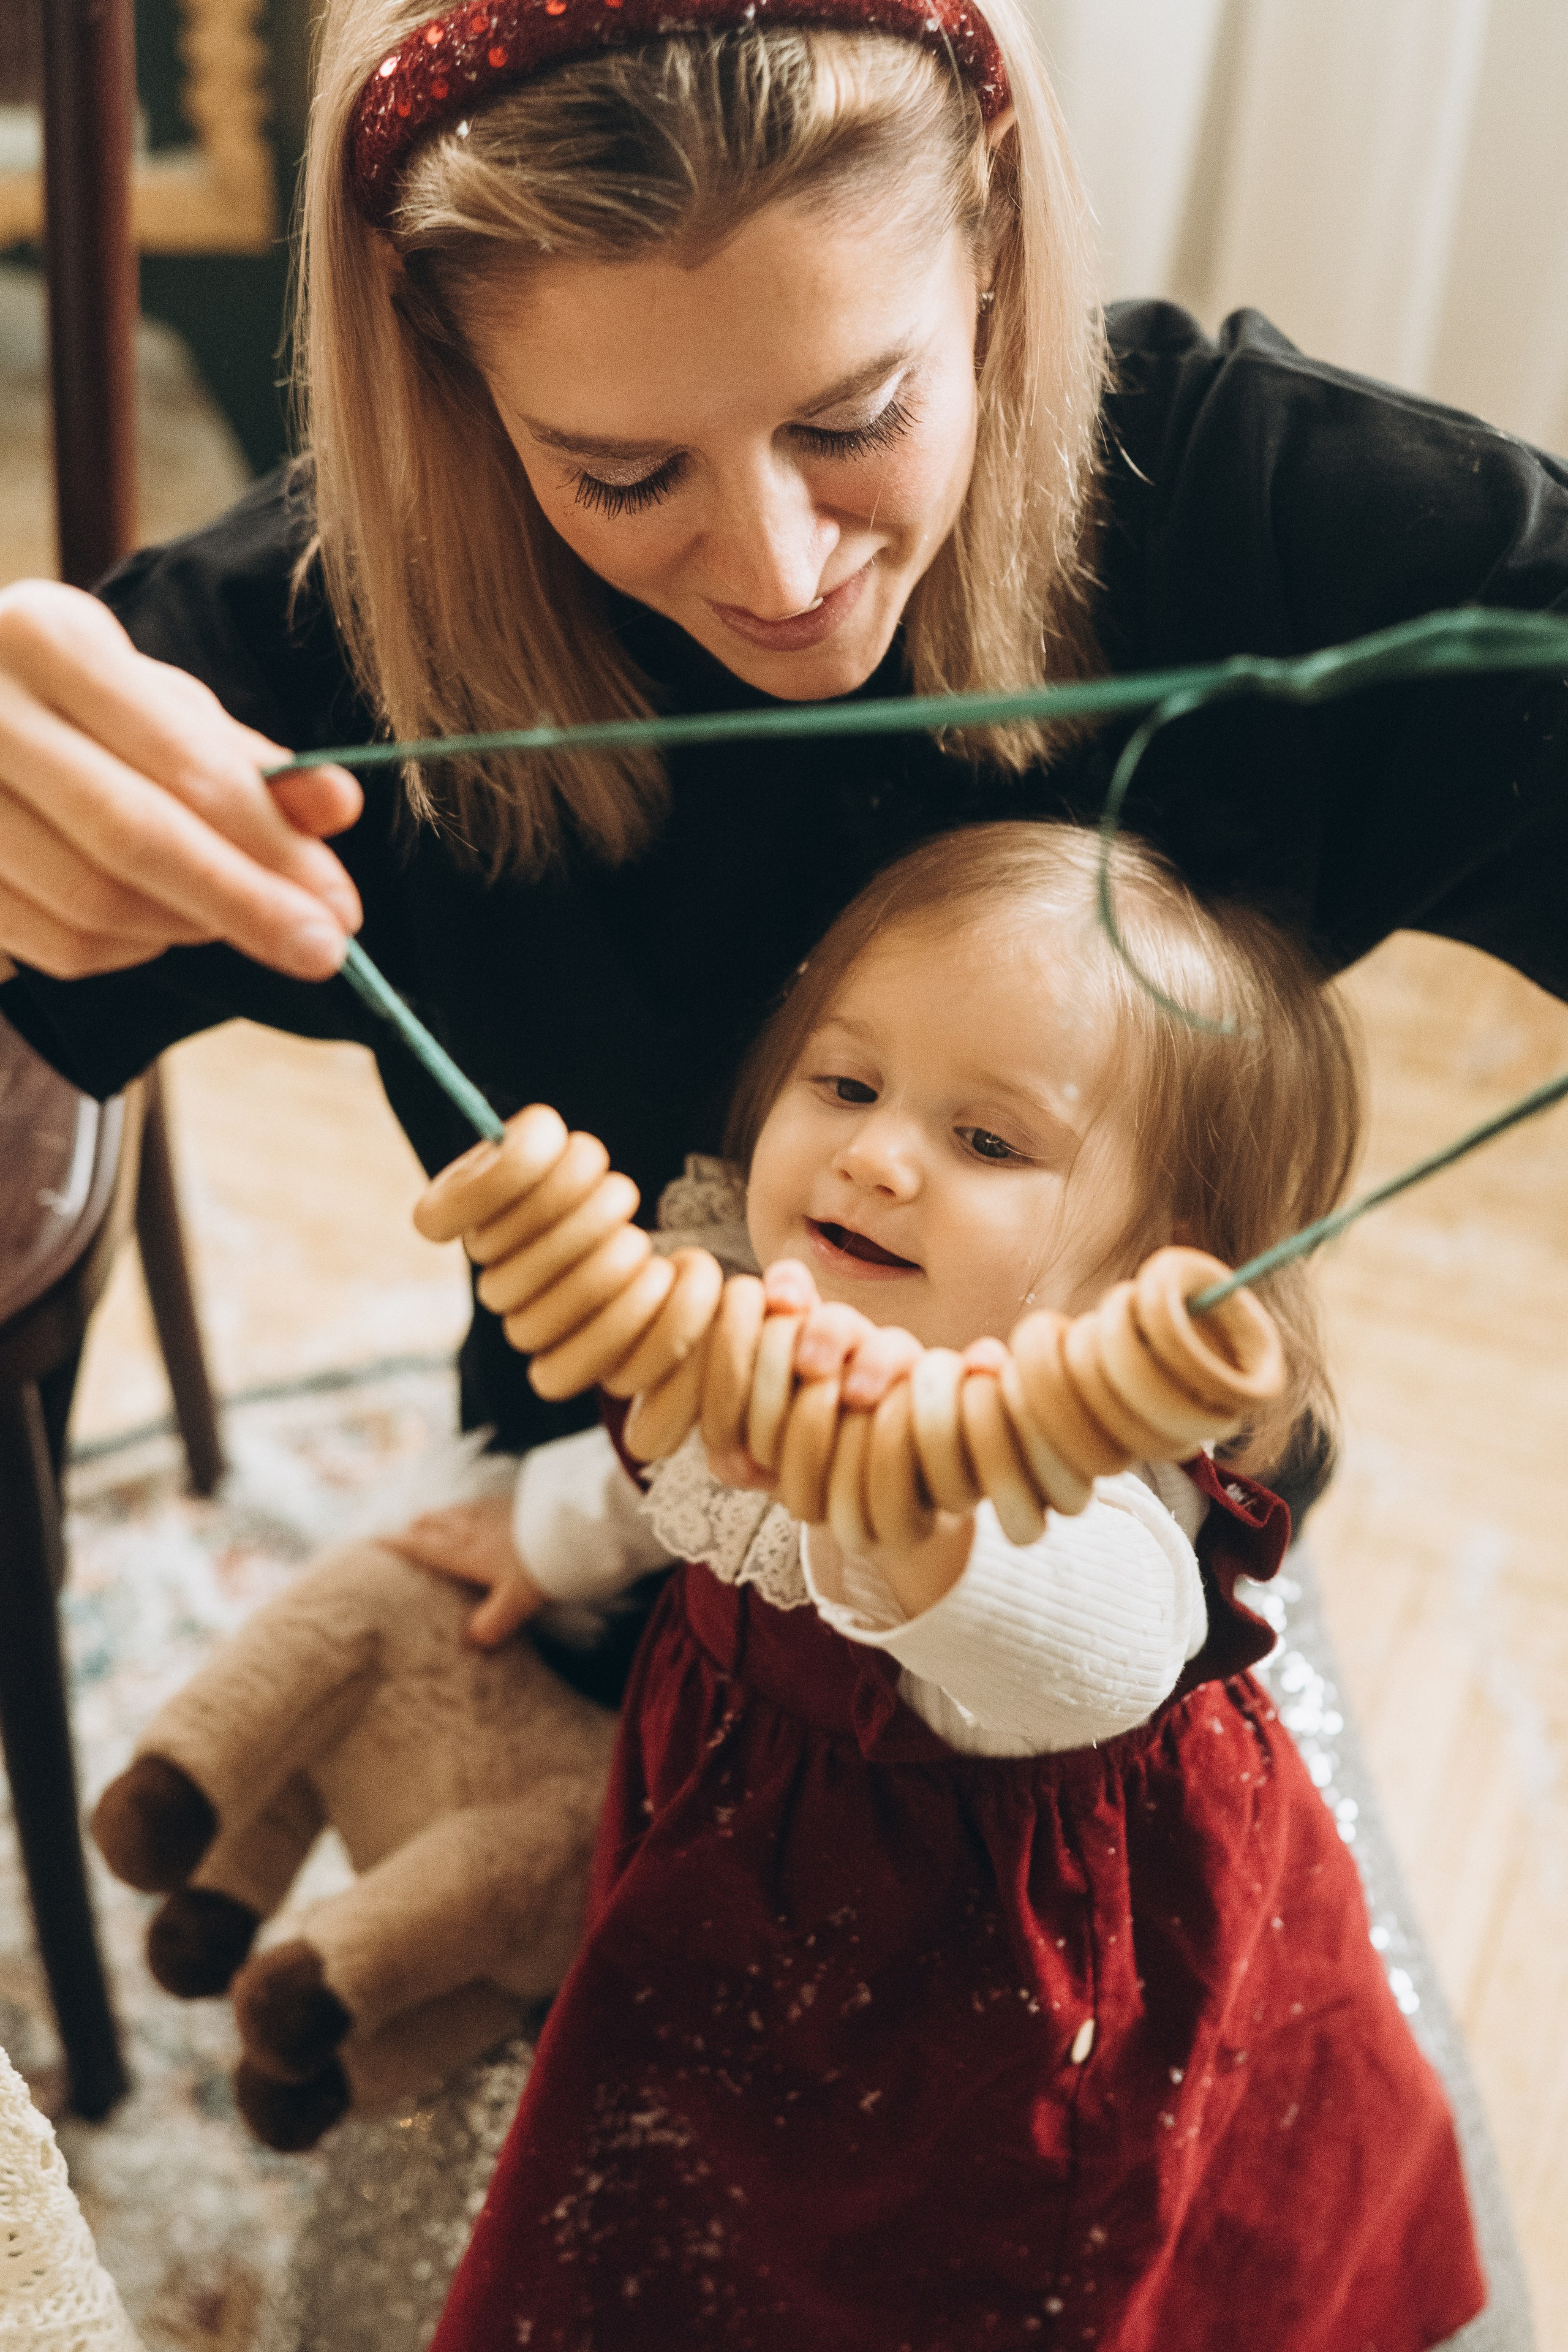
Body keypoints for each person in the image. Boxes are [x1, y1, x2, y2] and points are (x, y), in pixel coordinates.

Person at [1, 0, 1565, 1507]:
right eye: (622, 474)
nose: (776, 570)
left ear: (993, 227)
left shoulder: (1278, 519)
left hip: (1113, 1600)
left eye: (855, 419)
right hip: (593, 1537)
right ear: (445, 360)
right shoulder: (320, 643)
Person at [384, 819, 1482, 2351]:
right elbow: (669, 1473)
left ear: (1140, 1282)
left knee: (963, 2263)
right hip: (743, 1850)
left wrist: (900, 1507)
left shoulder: (1090, 1489)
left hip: (1005, 1988)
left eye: (987, 1144)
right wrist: (547, 1533)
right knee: (693, 2162)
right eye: (843, 1083)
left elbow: (1087, 1655)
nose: (874, 1153)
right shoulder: (745, 1306)